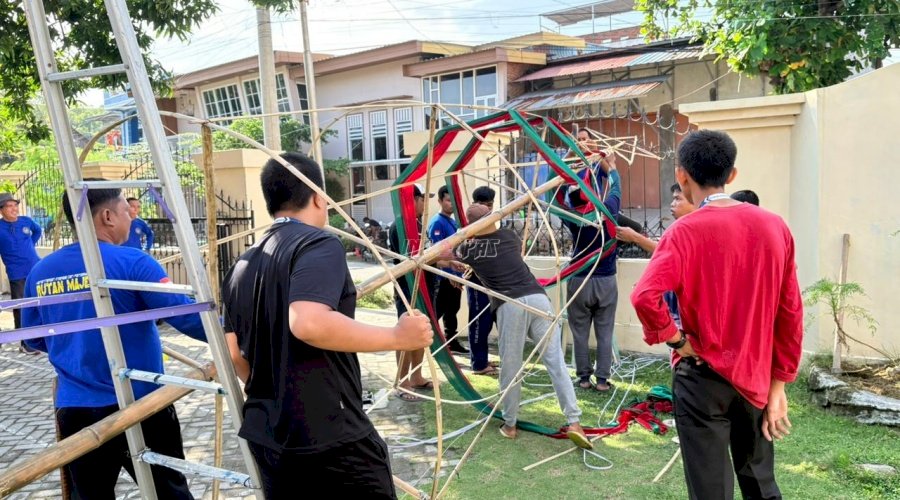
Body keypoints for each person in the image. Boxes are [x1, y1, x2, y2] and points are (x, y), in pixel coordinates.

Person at [221, 153, 433, 498]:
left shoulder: (243, 263)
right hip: (329, 436)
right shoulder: (316, 243)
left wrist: (279, 392)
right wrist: (397, 337)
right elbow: (308, 322)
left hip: (269, 436)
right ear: (318, 196)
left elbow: (234, 353)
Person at [631, 130, 803, 500]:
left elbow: (645, 296)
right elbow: (790, 312)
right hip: (756, 378)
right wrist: (778, 386)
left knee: (710, 490)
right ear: (733, 174)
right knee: (761, 483)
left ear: (681, 175)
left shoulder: (684, 232)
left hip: (702, 379)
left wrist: (676, 339)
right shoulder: (775, 227)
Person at [22, 181, 208, 499]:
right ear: (107, 216)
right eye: (126, 210)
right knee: (169, 493)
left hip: (76, 410)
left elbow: (35, 340)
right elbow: (190, 318)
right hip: (141, 404)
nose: (130, 218)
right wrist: (244, 334)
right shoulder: (133, 262)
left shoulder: (40, 273)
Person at [446, 203, 593, 449]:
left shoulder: (468, 249)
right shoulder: (509, 236)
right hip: (538, 299)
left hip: (509, 304)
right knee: (555, 362)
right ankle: (574, 422)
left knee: (511, 366)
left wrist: (455, 254)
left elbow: (444, 253)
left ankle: (510, 425)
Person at [562, 152, 620, 392]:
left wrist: (566, 164)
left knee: (579, 332)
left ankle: (584, 378)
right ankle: (603, 381)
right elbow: (616, 187)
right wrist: (613, 166)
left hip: (579, 280)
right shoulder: (608, 210)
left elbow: (555, 196)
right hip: (606, 280)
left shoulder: (572, 216)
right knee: (605, 332)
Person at [387, 184, 441, 402]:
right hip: (408, 287)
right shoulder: (400, 225)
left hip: (424, 288)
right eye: (422, 199)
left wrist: (444, 260)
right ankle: (402, 381)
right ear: (413, 200)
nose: (425, 204)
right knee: (406, 333)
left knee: (420, 334)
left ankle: (416, 376)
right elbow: (411, 259)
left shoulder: (418, 223)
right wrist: (439, 257)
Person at [0, 192, 42, 354]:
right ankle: (25, 342)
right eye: (9, 206)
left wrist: (29, 246)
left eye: (15, 205)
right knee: (20, 307)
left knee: (39, 304)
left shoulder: (26, 221)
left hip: (35, 268)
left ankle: (40, 337)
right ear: (1, 210)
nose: (14, 209)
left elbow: (37, 231)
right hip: (16, 273)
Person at [428, 185, 468, 355]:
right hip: (444, 277)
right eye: (448, 200)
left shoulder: (452, 221)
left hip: (455, 274)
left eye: (454, 201)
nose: (451, 204)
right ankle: (431, 343)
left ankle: (451, 341)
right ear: (440, 201)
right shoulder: (437, 223)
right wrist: (450, 275)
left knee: (452, 310)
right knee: (438, 311)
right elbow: (437, 252)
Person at [466, 186, 498, 376]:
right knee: (480, 322)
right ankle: (478, 364)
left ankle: (482, 358)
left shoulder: (488, 225)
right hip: (478, 282)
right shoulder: (471, 227)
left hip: (491, 282)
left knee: (488, 322)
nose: (490, 209)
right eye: (487, 205)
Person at [615, 183, 696, 254]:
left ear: (694, 201)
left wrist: (635, 237)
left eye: (677, 199)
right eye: (673, 199)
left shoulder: (692, 227)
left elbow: (667, 251)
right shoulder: (682, 225)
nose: (672, 204)